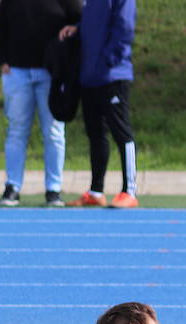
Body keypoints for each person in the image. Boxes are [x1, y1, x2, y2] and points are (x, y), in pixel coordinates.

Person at [0, 0, 79, 207]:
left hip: (51, 73)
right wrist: (2, 59)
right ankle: (12, 187)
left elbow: (80, 22)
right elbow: (0, 25)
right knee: (16, 131)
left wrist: (68, 56)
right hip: (17, 72)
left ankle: (53, 190)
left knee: (54, 132)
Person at [60, 0, 139, 208]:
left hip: (112, 76)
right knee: (95, 134)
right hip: (89, 77)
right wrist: (76, 29)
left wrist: (108, 61)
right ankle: (96, 191)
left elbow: (125, 28)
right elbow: (94, 25)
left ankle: (129, 191)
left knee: (122, 133)